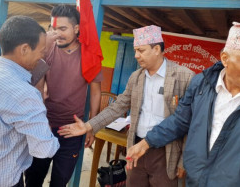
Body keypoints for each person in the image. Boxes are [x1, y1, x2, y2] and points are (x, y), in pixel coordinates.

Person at [126, 22, 240, 187]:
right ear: (225, 59)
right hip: (197, 182)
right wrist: (146, 143)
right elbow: (180, 121)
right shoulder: (201, 84)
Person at [58, 25, 195, 187]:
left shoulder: (184, 76)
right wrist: (89, 126)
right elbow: (118, 107)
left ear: (157, 49)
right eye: (135, 50)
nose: (136, 55)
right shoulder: (136, 77)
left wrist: (183, 161)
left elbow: (190, 123)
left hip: (166, 153)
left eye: (141, 50)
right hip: (136, 148)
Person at [25, 4, 102, 187]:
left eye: (62, 28)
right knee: (33, 178)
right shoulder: (47, 50)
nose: (57, 33)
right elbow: (37, 86)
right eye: (53, 28)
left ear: (76, 29)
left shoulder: (88, 54)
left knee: (60, 181)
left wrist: (91, 126)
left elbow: (95, 92)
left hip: (72, 130)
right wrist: (39, 120)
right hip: (45, 126)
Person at [0, 15, 60, 187]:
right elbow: (44, 149)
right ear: (24, 49)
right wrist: (47, 132)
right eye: (40, 52)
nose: (40, 58)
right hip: (2, 180)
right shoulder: (24, 94)